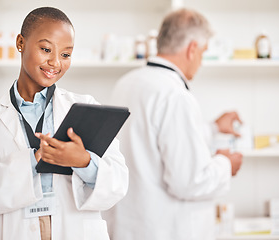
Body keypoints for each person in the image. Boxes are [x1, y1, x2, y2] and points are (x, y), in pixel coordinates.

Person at [0, 7, 128, 240]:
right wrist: (34, 160)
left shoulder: (87, 107)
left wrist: (83, 161)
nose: (55, 63)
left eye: (65, 54)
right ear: (21, 42)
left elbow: (118, 181)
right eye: (45, 49)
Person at [102, 8, 243, 240]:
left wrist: (213, 128)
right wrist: (226, 164)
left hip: (127, 227)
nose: (201, 62)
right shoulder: (175, 95)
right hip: (162, 230)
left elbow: (150, 139)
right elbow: (188, 182)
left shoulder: (126, 83)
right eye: (203, 53)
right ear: (192, 49)